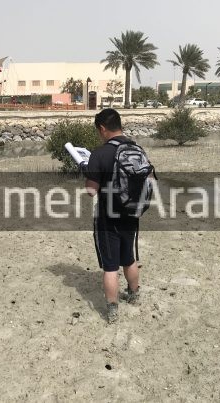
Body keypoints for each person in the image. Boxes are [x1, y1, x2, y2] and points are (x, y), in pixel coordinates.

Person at [84, 108, 141, 324]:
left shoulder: (99, 154)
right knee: (128, 257)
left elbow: (91, 191)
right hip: (132, 214)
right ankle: (134, 295)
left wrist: (87, 170)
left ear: (102, 128)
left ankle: (112, 310)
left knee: (110, 267)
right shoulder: (136, 149)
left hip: (108, 218)